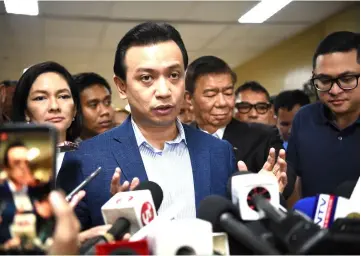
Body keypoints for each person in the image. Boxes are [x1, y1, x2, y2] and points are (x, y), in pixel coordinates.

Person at [57, 22, 288, 230]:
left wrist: (260, 197)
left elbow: (232, 231)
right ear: (121, 86)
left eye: (174, 75)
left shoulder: (219, 151)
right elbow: (65, 242)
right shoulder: (85, 159)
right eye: (146, 78)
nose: (165, 91)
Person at [186, 55, 294, 199]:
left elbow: (285, 182)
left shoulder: (263, 136)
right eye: (211, 94)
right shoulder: (180, 139)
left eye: (228, 93)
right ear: (189, 98)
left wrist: (264, 185)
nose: (222, 102)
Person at [287, 31, 360, 202]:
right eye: (324, 80)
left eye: (347, 78)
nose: (334, 90)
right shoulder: (304, 118)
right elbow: (295, 181)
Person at [73, 72, 115, 141]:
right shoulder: (65, 150)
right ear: (74, 111)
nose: (105, 111)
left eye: (108, 102)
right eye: (93, 105)